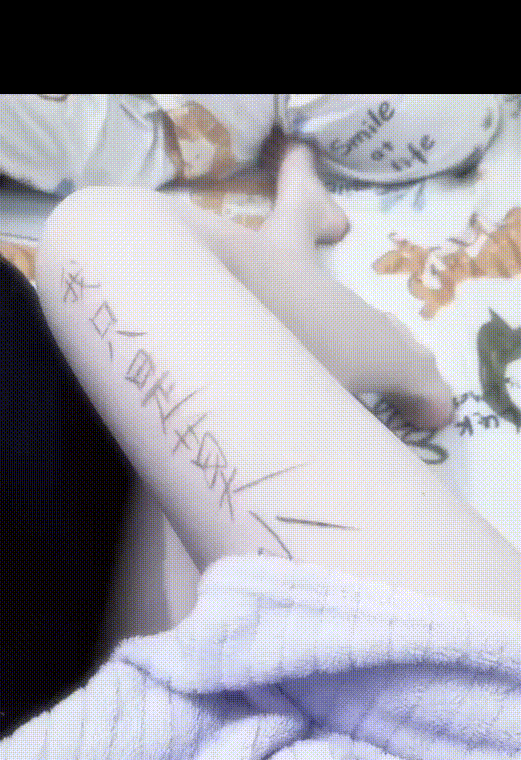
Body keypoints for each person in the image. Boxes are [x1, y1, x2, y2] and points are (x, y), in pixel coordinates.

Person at [35, 138, 520, 621]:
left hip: (95, 595)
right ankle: (400, 352)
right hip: (408, 644)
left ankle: (297, 221)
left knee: (120, 248)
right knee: (100, 231)